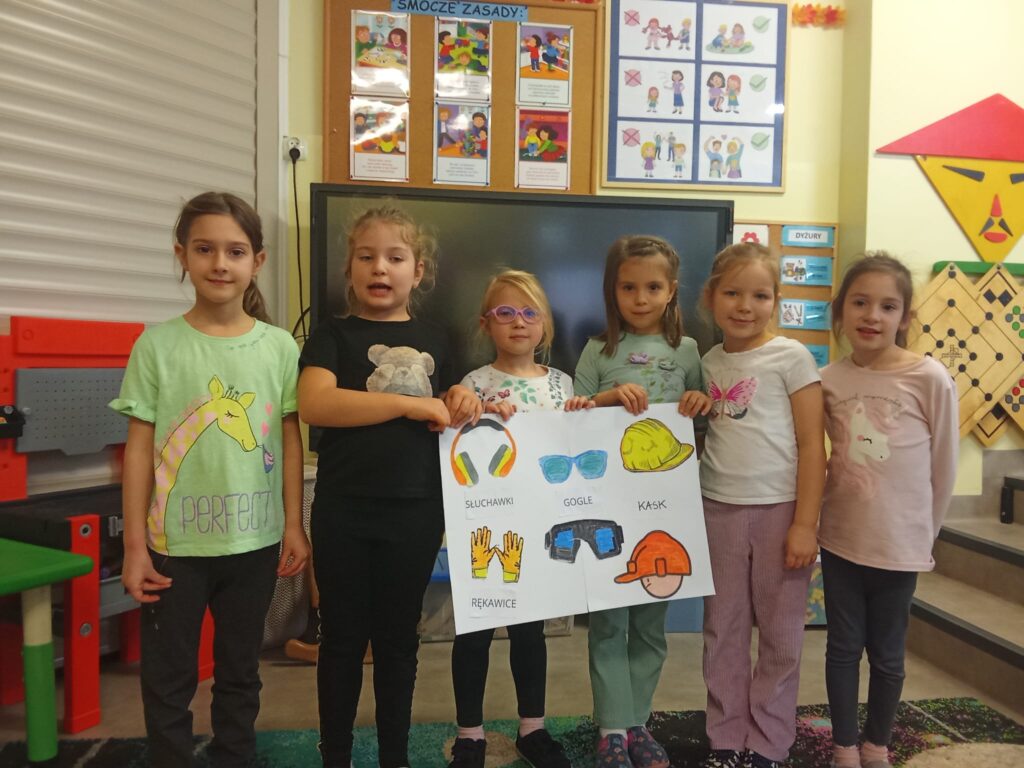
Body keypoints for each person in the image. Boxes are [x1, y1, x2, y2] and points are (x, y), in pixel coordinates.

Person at [111, 191, 309, 768]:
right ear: (182, 255)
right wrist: (134, 547)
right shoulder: (156, 345)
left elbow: (289, 440)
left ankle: (235, 756)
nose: (220, 263)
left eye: (235, 251)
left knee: (240, 671)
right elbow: (139, 450)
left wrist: (293, 525)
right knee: (169, 676)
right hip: (172, 548)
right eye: (204, 249)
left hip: (255, 545)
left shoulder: (279, 347)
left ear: (258, 261)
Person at [298, 203, 481, 768]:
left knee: (399, 640)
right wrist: (408, 404)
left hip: (416, 509)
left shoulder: (439, 338)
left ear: (417, 271)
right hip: (342, 509)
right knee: (342, 640)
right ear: (350, 269)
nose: (380, 267)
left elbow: (454, 404)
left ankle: (394, 757)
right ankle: (336, 755)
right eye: (366, 256)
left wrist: (462, 397)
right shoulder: (332, 335)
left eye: (395, 257)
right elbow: (316, 404)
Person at [568, 235, 707, 768]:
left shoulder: (688, 350)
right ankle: (611, 728)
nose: (641, 298)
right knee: (608, 622)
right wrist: (604, 399)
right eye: (628, 287)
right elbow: (571, 416)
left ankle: (637, 723)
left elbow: (702, 415)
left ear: (671, 291)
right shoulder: (597, 350)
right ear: (613, 290)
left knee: (650, 623)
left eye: (653, 287)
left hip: (667, 511)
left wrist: (698, 400)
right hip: (607, 506)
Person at [448, 271, 592, 768]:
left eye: (530, 313)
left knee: (530, 632)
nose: (518, 322)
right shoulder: (473, 383)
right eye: (505, 312)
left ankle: (533, 728)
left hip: (540, 527)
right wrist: (471, 407)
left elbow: (573, 447)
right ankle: (470, 735)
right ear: (486, 323)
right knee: (475, 631)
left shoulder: (561, 384)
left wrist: (582, 413)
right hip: (486, 527)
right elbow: (455, 430)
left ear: (545, 324)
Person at [819, 254, 958, 768]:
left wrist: (925, 535)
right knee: (841, 648)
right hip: (840, 539)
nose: (872, 316)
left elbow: (944, 466)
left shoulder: (929, 377)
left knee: (888, 653)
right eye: (860, 302)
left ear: (904, 317)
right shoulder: (827, 379)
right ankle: (844, 746)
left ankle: (876, 744)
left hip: (900, 544)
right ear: (840, 310)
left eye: (887, 306)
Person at [694, 243, 825, 768]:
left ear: (776, 300)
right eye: (732, 293)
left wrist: (805, 525)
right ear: (711, 297)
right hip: (718, 510)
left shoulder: (792, 358)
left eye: (760, 295)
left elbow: (813, 445)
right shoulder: (708, 361)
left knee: (781, 633)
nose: (745, 306)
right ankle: (725, 738)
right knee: (721, 630)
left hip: (780, 513)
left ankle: (769, 742)